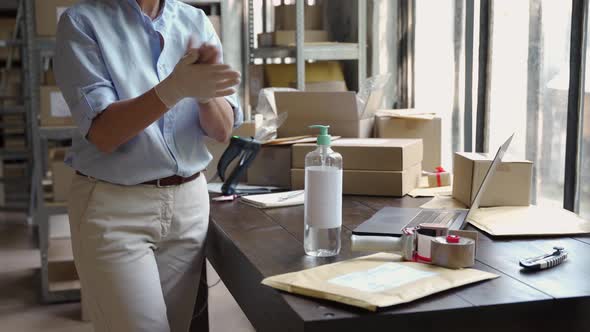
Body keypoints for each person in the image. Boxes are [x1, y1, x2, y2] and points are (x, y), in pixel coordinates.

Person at [54, 0, 242, 331]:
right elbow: (104, 133)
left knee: (177, 325)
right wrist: (175, 88)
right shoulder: (81, 22)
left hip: (188, 205)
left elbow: (222, 130)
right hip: (116, 208)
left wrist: (203, 94)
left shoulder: (194, 20)